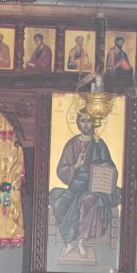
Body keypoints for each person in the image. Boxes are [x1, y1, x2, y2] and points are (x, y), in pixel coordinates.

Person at [49, 110, 119, 259]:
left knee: (85, 202)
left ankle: (80, 242)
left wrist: (105, 167)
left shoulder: (99, 143)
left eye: (89, 121)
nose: (86, 124)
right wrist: (76, 165)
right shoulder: (72, 144)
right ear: (78, 123)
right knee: (59, 204)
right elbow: (61, 169)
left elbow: (111, 167)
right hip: (75, 186)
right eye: (83, 121)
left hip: (94, 187)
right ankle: (69, 242)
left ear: (94, 123)